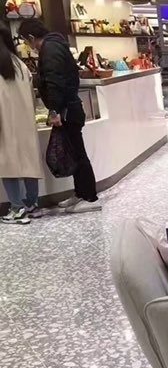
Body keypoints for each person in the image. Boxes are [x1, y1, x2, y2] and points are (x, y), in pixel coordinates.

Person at [18, 19, 98, 207]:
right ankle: (81, 193)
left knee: (77, 153)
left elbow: (55, 82)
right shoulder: (56, 44)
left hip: (67, 110)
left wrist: (54, 110)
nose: (28, 45)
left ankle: (89, 196)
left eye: (26, 41)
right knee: (75, 152)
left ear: (31, 37)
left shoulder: (50, 49)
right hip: (70, 107)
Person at [0, 23, 42, 224]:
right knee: (27, 160)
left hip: (5, 122)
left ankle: (17, 208)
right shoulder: (21, 65)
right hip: (25, 121)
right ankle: (32, 204)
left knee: (7, 163)